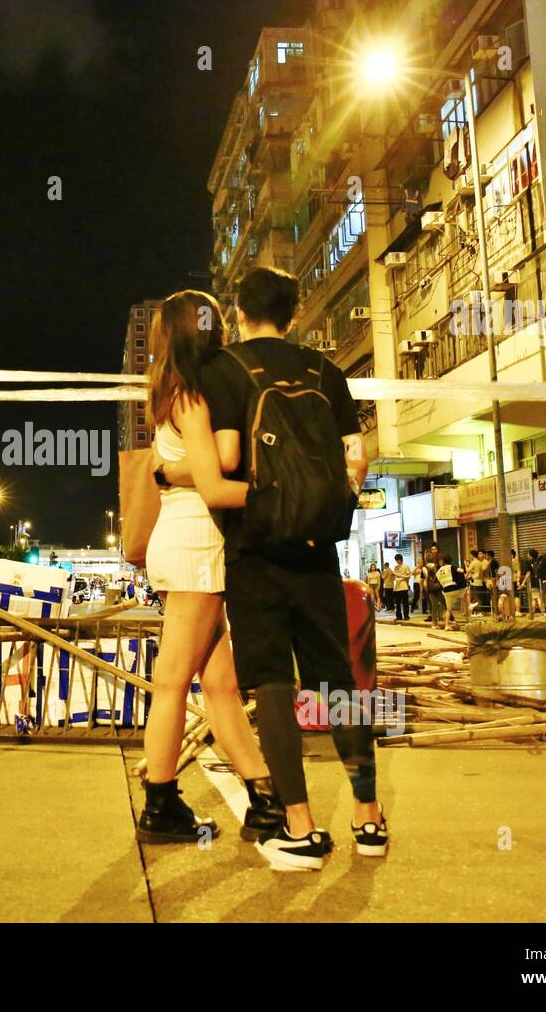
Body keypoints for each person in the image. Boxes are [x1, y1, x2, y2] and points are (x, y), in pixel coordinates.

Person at [184, 266, 384, 870]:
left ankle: (300, 826)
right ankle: (368, 816)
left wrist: (266, 494)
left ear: (238, 312)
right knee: (338, 680)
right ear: (295, 314)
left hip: (255, 549)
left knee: (271, 681)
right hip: (318, 550)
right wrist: (327, 501)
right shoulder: (325, 371)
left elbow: (223, 464)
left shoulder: (222, 371)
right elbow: (356, 456)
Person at [139, 289, 280, 844]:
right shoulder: (192, 397)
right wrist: (278, 492)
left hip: (189, 539)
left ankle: (263, 796)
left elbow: (182, 469)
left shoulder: (172, 391)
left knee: (219, 682)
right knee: (172, 680)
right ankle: (161, 804)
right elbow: (217, 479)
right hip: (196, 542)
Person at [438, 555, 465, 627]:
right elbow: (461, 571)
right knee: (466, 592)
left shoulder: (438, 571)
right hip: (454, 589)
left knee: (448, 609)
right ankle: (468, 610)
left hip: (446, 591)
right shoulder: (451, 567)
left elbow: (439, 580)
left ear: (443, 561)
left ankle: (446, 625)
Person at [425, 550, 448, 627]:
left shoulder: (424, 568)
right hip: (438, 588)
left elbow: (425, 580)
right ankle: (446, 620)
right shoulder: (437, 567)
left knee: (433, 607)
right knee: (444, 604)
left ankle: (434, 624)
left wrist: (425, 589)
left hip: (430, 589)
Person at [390, 553, 412, 621]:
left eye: (398, 560)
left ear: (401, 559)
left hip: (404, 586)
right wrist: (393, 576)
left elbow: (408, 576)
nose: (397, 561)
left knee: (405, 602)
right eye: (396, 560)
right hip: (396, 587)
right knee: (397, 603)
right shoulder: (396, 567)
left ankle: (406, 616)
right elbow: (394, 576)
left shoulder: (406, 566)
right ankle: (398, 616)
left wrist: (400, 576)